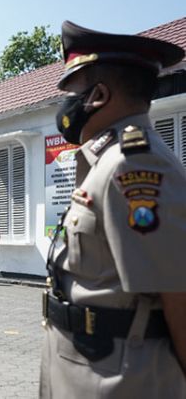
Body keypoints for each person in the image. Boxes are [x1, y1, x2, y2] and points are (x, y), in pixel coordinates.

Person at [40, 21, 186, 398]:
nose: (64, 106)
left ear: (98, 95)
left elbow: (178, 293)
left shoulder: (135, 163)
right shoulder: (104, 160)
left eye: (70, 93)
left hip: (121, 379)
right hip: (86, 366)